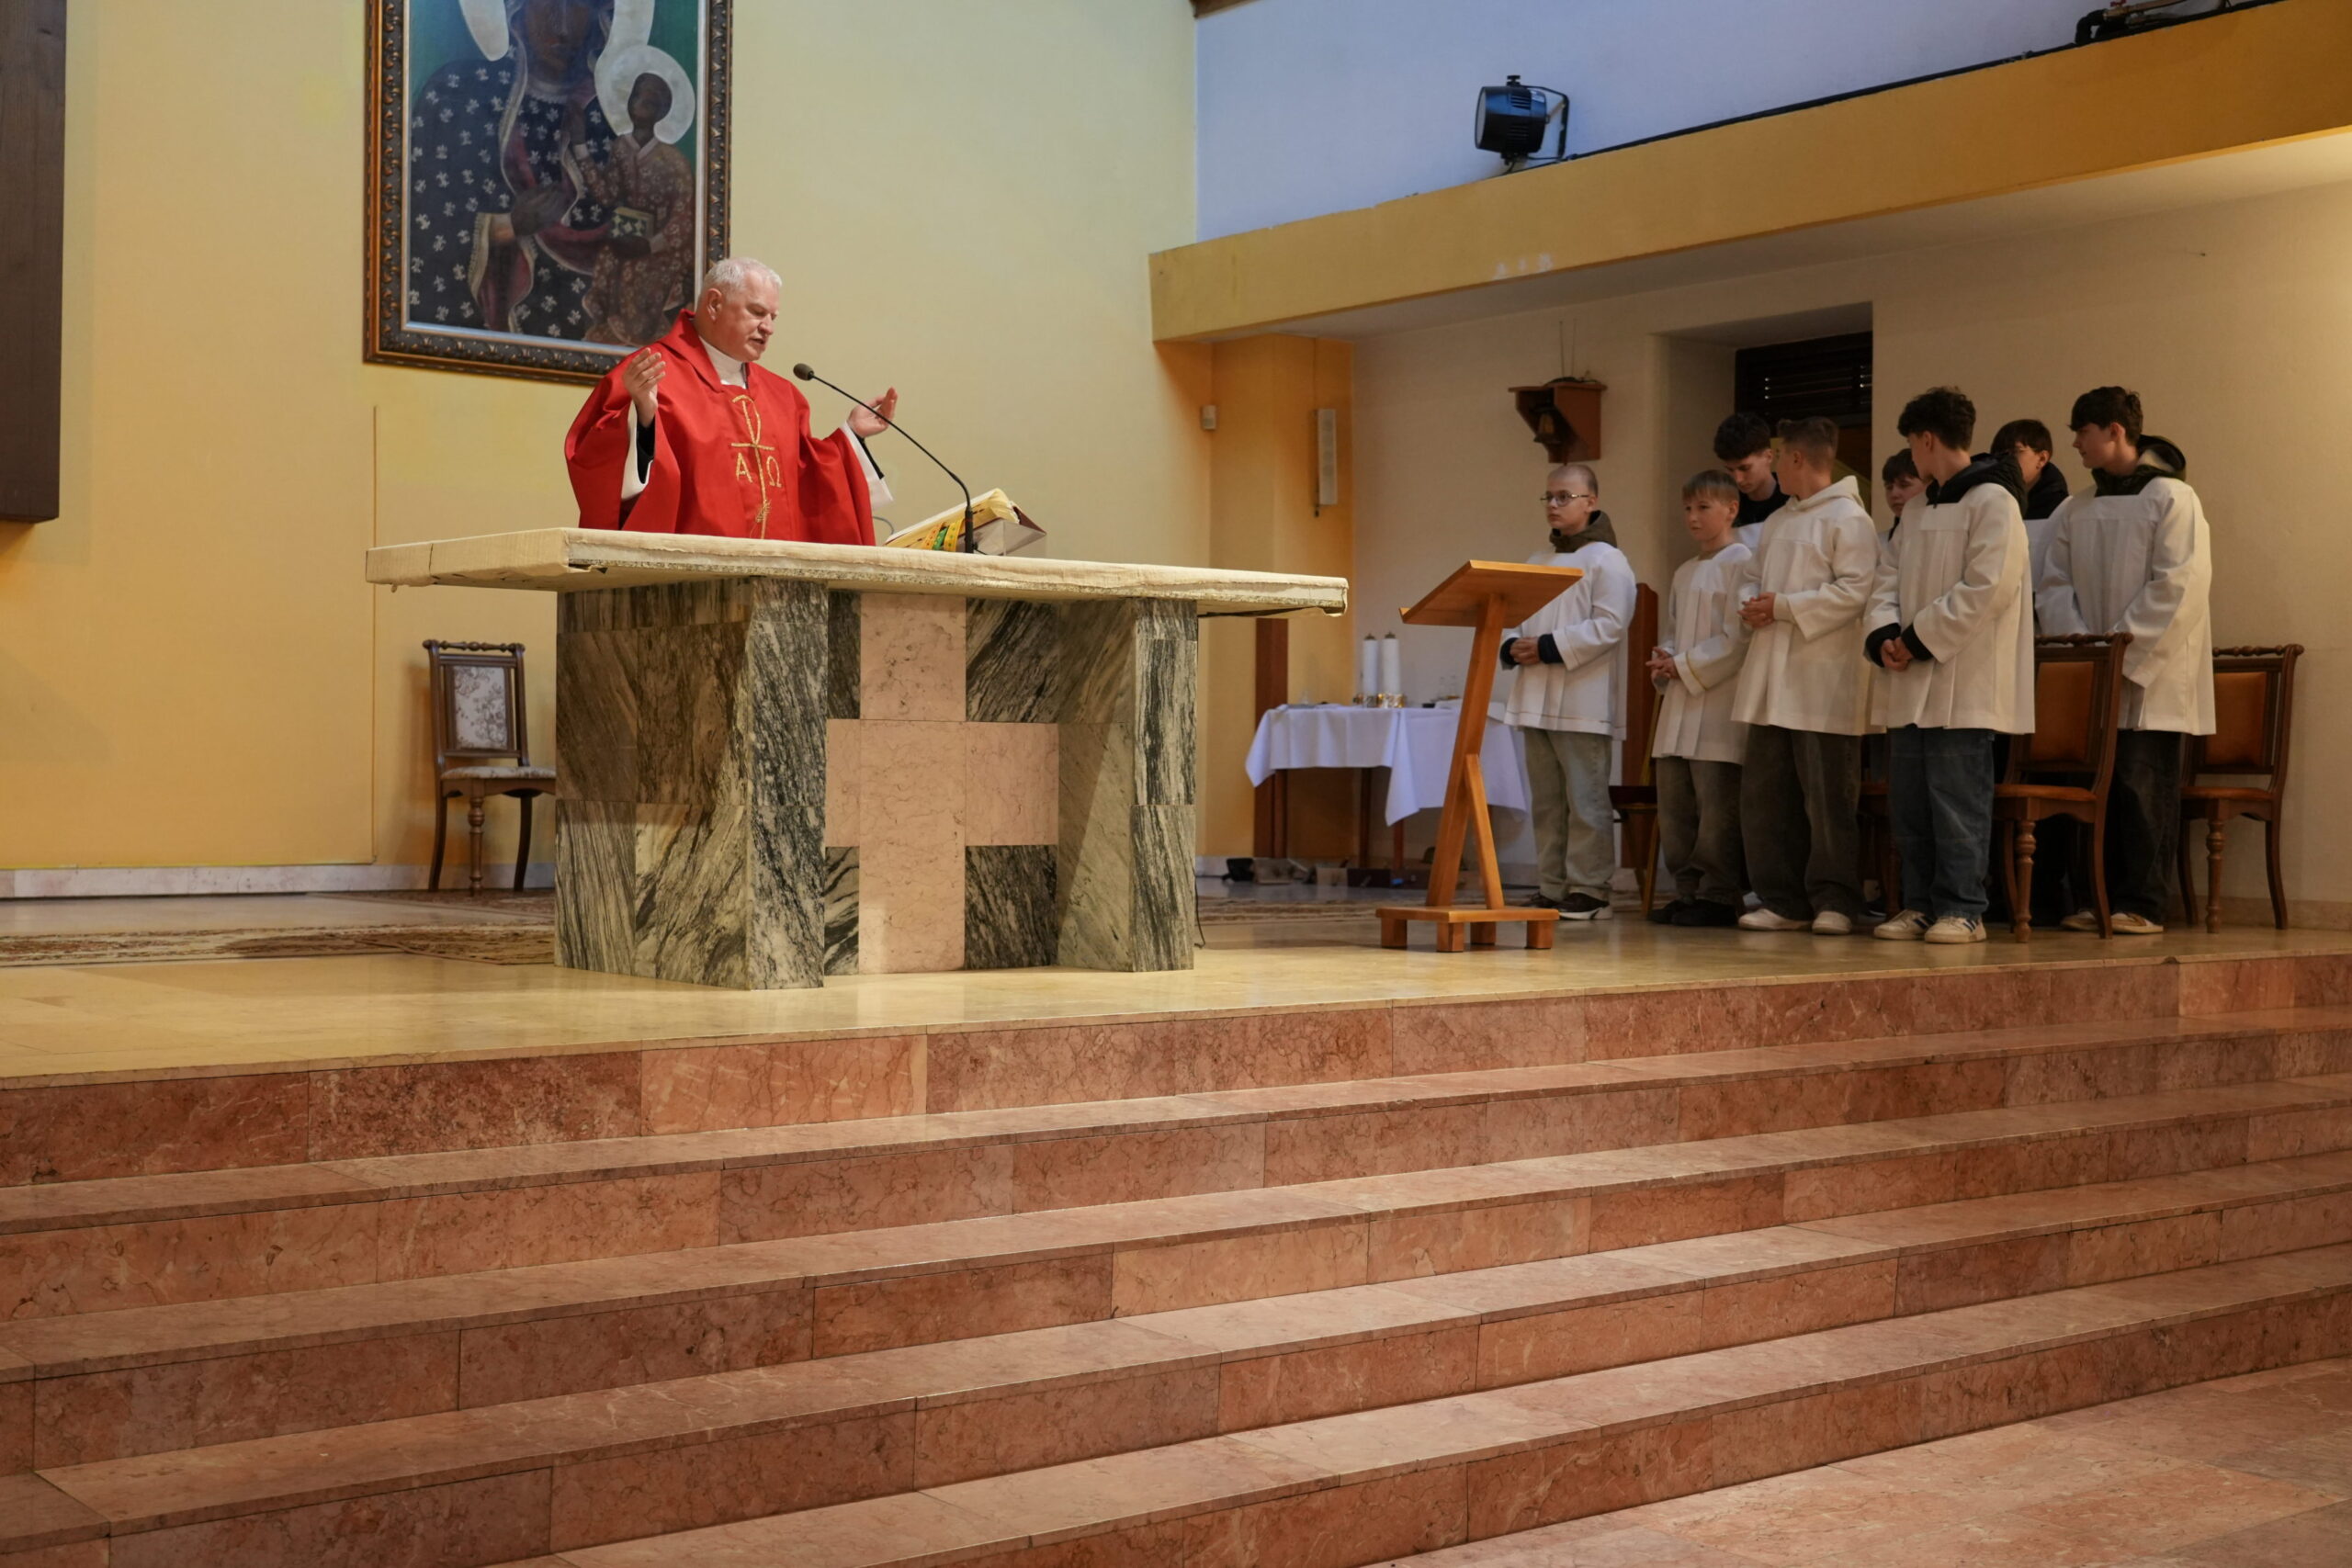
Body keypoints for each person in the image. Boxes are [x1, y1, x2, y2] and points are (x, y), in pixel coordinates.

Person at [2036, 387, 2214, 934]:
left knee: (2142, 788)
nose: (2075, 443)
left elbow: (2179, 584)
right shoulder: (2076, 507)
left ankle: (2143, 903)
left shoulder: (2172, 498)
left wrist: (2119, 653)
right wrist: (2086, 653)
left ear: (2114, 431)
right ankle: (2098, 897)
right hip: (2093, 672)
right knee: (2100, 790)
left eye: (2082, 432)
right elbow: (2053, 584)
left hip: (2149, 675)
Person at [564, 257, 899, 541]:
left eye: (773, 317)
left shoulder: (783, 396)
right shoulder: (652, 374)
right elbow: (597, 470)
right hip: (685, 580)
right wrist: (643, 418)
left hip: (775, 581)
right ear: (714, 304)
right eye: (757, 312)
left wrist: (852, 435)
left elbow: (809, 480)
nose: (768, 328)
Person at [1866, 388, 2035, 945]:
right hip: (1909, 674)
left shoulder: (1993, 502)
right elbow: (1886, 578)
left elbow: (1989, 587)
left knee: (1956, 799)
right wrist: (1885, 634)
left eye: (1911, 444)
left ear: (1925, 440)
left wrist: (1917, 638)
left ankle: (1964, 908)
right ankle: (1919, 903)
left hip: (1965, 677)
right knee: (1911, 802)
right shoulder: (1917, 509)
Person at [1730, 417, 1879, 934]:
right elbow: (1750, 578)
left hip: (1823, 676)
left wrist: (1785, 607)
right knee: (1767, 794)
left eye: (1778, 458)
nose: (1775, 469)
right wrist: (1749, 605)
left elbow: (1856, 591)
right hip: (1771, 674)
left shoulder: (1849, 518)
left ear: (1796, 458)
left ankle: (1835, 899)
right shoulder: (1779, 520)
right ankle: (1784, 899)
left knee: (1827, 794)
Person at [1501, 464, 1638, 920]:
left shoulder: (1608, 560)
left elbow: (1610, 625)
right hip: (1535, 697)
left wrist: (1546, 646)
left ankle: (1590, 889)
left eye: (1565, 496)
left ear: (1591, 502)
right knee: (1547, 801)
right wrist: (1510, 644)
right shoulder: (1537, 560)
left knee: (1585, 799)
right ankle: (1552, 885)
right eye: (1549, 497)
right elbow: (1515, 617)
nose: (1554, 505)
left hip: (1582, 698)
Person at [1646, 471, 1751, 928]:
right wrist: (1666, 656)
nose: (1692, 517)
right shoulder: (1685, 570)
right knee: (1677, 805)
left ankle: (1719, 892)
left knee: (1715, 805)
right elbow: (1673, 629)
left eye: (1703, 508)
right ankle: (1687, 891)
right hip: (1680, 702)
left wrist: (1686, 664)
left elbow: (1738, 638)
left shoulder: (1743, 562)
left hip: (1718, 703)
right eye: (1688, 508)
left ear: (1731, 509)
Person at [573, 66, 696, 347]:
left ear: (661, 112)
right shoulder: (621, 148)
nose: (639, 104)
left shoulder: (674, 161)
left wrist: (649, 245)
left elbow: (683, 218)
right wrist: (580, 145)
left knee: (639, 277)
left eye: (649, 101)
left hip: (661, 250)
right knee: (608, 262)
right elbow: (607, 195)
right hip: (625, 241)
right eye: (636, 96)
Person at [1988, 417, 2075, 591]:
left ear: (2042, 458)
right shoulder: (1991, 507)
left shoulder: (2066, 510)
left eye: (2015, 452)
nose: (2005, 462)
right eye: (1999, 454)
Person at [1715, 412, 1786, 549]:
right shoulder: (1725, 504)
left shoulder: (1793, 498)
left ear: (1768, 456)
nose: (1738, 479)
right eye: (1730, 470)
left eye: (1745, 468)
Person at [1881, 449, 1924, 534]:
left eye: (1904, 485)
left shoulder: (1944, 533)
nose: (1894, 494)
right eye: (1889, 487)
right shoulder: (1880, 540)